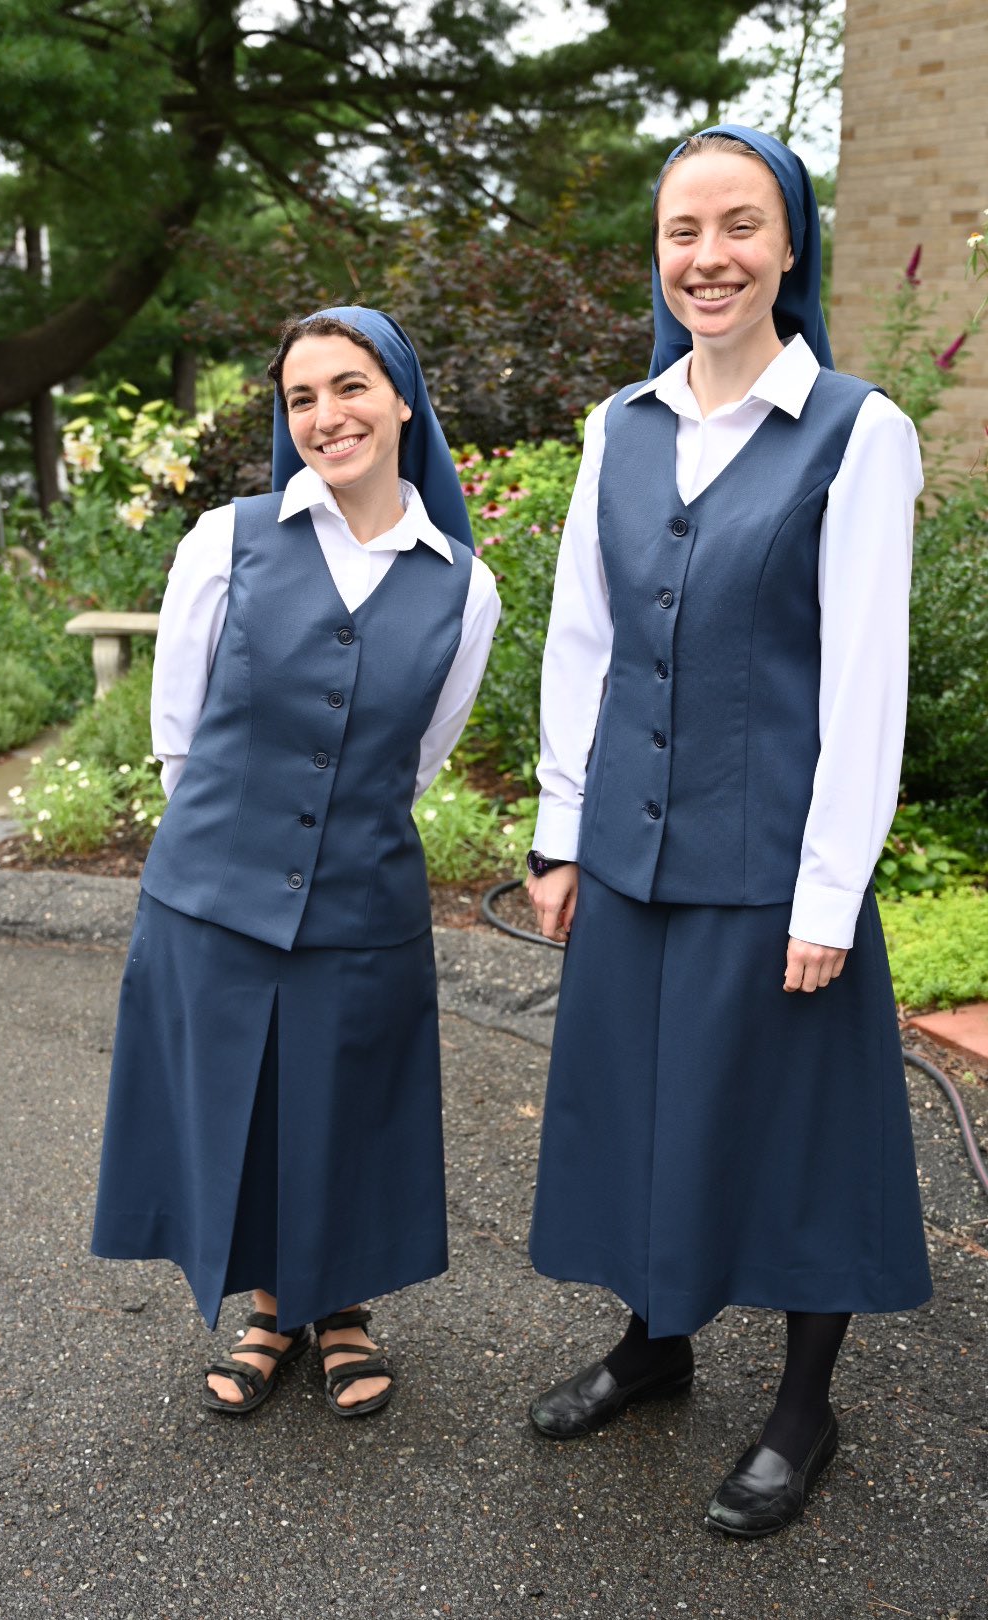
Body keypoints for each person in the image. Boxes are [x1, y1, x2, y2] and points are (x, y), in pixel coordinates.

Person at [523, 126, 931, 1536]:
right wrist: (557, 832)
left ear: (791, 245)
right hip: (630, 852)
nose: (710, 258)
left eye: (740, 227)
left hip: (772, 867)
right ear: (660, 252)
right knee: (643, 1107)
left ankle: (805, 1410)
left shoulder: (860, 432)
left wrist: (831, 893)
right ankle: (657, 1344)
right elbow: (583, 644)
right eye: (684, 231)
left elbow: (866, 681)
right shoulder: (616, 429)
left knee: (799, 1135)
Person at [92, 306, 500, 1418]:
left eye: (351, 387)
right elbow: (180, 732)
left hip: (363, 890)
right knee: (255, 1101)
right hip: (216, 889)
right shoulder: (225, 542)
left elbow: (419, 753)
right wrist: (242, 857)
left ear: (403, 397)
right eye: (303, 397)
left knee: (349, 1097)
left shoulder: (465, 585)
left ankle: (347, 1306)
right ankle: (273, 1307)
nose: (328, 416)